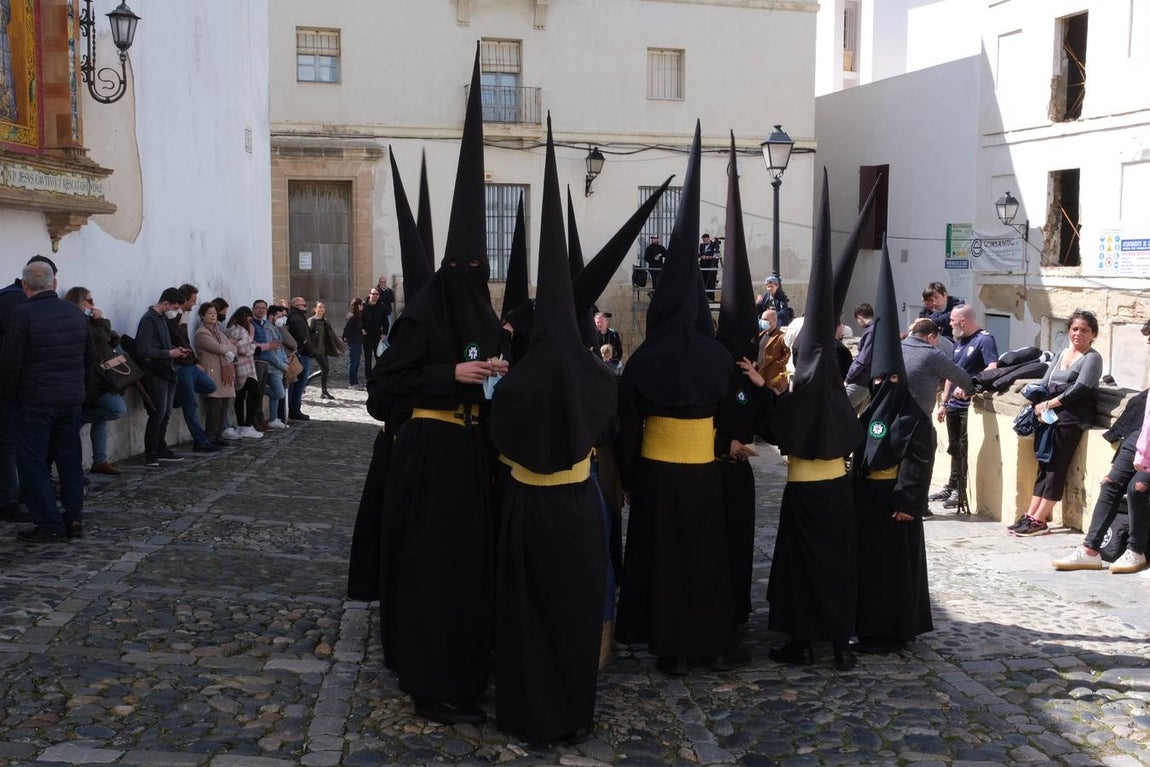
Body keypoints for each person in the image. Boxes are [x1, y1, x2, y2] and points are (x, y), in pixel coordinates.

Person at [370, 49, 507, 727]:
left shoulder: (475, 310)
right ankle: (430, 684)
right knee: (432, 568)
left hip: (471, 455)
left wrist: (500, 375)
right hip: (428, 455)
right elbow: (385, 381)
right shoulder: (424, 313)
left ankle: (464, 674)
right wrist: (450, 375)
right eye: (469, 265)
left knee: (468, 570)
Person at [489, 118, 616, 745]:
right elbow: (605, 431)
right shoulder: (599, 379)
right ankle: (572, 716)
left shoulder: (515, 384)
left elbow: (499, 441)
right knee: (574, 609)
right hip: (579, 505)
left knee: (527, 610)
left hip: (526, 505)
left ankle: (528, 715)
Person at [615, 122, 745, 677]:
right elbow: (732, 411)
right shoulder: (717, 356)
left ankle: (668, 648)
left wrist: (626, 474)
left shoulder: (644, 359)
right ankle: (710, 643)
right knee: (704, 558)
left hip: (656, 471)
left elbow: (627, 421)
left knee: (663, 558)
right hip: (704, 472)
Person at [764, 172, 866, 673]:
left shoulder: (802, 393)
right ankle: (841, 647)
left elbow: (778, 432)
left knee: (800, 567)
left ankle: (801, 642)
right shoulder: (837, 394)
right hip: (838, 492)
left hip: (805, 492)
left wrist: (769, 391)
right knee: (836, 566)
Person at [852, 240, 935, 654]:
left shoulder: (912, 416)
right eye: (880, 380)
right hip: (868, 498)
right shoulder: (872, 410)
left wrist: (907, 500)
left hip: (893, 502)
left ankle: (891, 632)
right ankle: (867, 625)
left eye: (891, 379)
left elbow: (919, 457)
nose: (885, 385)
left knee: (892, 570)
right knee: (869, 567)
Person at [0, 260, 92, 542]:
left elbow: (10, 362)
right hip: (70, 400)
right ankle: (73, 518)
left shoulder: (22, 314)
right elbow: (89, 360)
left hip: (34, 400)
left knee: (33, 463)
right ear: (54, 283)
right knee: (69, 460)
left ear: (25, 286)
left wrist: (9, 396)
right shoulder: (75, 313)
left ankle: (49, 523)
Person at [1011, 310, 1104, 537]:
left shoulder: (1092, 358)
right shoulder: (1062, 353)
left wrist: (1049, 404)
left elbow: (1080, 388)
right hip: (1049, 416)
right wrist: (1040, 405)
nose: (1078, 333)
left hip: (1071, 417)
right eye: (1075, 329)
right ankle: (1030, 514)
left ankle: (1040, 519)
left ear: (1093, 334)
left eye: (1084, 330)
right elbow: (1045, 382)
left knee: (1056, 467)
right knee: (1043, 464)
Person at [931, 305, 998, 510]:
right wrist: (944, 402)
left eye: (952, 320)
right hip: (953, 404)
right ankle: (952, 484)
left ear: (962, 321)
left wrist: (970, 385)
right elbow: (952, 372)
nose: (949, 324)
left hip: (969, 405)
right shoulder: (959, 341)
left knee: (962, 447)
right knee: (954, 447)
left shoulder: (984, 339)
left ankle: (960, 490)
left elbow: (992, 368)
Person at [64, 287, 127, 475]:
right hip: (88, 380)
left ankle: (100, 460)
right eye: (89, 301)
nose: (93, 305)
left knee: (102, 418)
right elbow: (99, 339)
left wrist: (103, 327)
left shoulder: (89, 321)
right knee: (116, 409)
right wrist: (101, 322)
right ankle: (81, 420)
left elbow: (110, 340)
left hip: (100, 379)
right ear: (78, 302)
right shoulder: (76, 320)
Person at [137, 287, 192, 468]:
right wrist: (169, 353)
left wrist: (177, 351)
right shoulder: (148, 320)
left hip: (167, 370)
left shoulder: (162, 319)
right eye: (175, 308)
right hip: (155, 372)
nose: (176, 312)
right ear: (165, 303)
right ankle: (151, 453)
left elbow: (164, 344)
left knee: (166, 413)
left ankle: (161, 447)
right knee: (157, 413)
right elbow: (143, 350)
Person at [170, 284, 220, 454]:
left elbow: (186, 342)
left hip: (190, 365)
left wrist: (196, 361)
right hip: (181, 366)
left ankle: (179, 396)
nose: (194, 304)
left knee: (210, 386)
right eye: (192, 300)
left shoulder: (184, 316)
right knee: (191, 405)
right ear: (183, 300)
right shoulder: (172, 317)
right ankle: (200, 441)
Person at [194, 303, 238, 445]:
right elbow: (217, 347)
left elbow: (233, 348)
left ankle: (219, 436)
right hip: (212, 372)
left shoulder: (219, 332)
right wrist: (228, 348)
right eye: (209, 313)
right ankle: (210, 437)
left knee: (224, 407)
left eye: (214, 313)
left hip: (224, 373)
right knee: (214, 408)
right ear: (202, 316)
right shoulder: (202, 333)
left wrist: (229, 348)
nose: (213, 315)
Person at [227, 307, 264, 440]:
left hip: (243, 366)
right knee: (254, 394)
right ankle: (246, 425)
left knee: (241, 395)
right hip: (244, 367)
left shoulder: (234, 328)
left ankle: (242, 425)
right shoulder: (239, 329)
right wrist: (254, 346)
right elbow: (243, 349)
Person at [262, 305, 290, 430]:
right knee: (279, 393)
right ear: (272, 316)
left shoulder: (276, 328)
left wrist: (285, 362)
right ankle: (260, 390)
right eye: (279, 316)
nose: (281, 319)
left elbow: (280, 348)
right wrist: (281, 364)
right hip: (272, 367)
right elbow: (270, 352)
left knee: (276, 394)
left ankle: (273, 418)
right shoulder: (267, 329)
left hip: (279, 366)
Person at [308, 301, 343, 399]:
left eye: (323, 307)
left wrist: (337, 346)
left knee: (325, 370)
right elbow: (307, 334)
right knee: (325, 369)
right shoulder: (312, 320)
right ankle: (319, 388)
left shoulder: (325, 321)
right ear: (315, 309)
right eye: (319, 307)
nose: (321, 309)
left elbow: (331, 335)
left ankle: (322, 390)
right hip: (316, 349)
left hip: (324, 349)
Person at [286, 296, 313, 422]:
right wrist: (308, 345)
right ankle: (294, 410)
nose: (305, 307)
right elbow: (302, 336)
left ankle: (294, 409)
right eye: (303, 305)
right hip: (300, 353)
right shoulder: (296, 317)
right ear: (296, 305)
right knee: (299, 384)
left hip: (301, 352)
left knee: (298, 384)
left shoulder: (298, 316)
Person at [844, 302, 875, 413]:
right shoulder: (875, 329)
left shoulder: (870, 332)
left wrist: (848, 378)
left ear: (860, 316)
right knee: (853, 415)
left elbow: (862, 360)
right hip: (868, 380)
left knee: (839, 409)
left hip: (861, 381)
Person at [755, 308, 790, 393]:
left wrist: (775, 367)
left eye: (765, 319)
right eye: (762, 319)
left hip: (772, 381)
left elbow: (788, 355)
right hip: (759, 377)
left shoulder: (781, 337)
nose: (762, 321)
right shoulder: (761, 334)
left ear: (774, 320)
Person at [361, 286, 389, 378]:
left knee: (379, 358)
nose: (375, 296)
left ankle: (379, 376)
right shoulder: (364, 306)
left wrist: (384, 333)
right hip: (367, 336)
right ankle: (369, 378)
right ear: (369, 294)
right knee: (368, 359)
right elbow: (359, 320)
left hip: (377, 336)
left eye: (377, 294)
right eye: (373, 294)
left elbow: (386, 322)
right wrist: (361, 329)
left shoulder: (382, 306)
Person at [343, 298, 364, 389]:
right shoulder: (352, 316)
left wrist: (361, 331)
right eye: (361, 305)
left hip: (358, 341)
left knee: (356, 362)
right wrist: (345, 338)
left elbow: (356, 328)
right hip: (354, 342)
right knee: (353, 363)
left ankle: (355, 381)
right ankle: (353, 383)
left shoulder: (358, 315)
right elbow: (347, 329)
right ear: (358, 305)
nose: (362, 307)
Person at [698, 232, 721, 302]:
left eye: (705, 241)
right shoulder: (701, 246)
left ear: (709, 239)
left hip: (711, 266)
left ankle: (711, 298)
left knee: (711, 283)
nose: (704, 242)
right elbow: (700, 254)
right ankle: (704, 298)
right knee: (704, 282)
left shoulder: (714, 245)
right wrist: (701, 256)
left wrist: (707, 257)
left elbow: (716, 255)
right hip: (703, 267)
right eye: (703, 241)